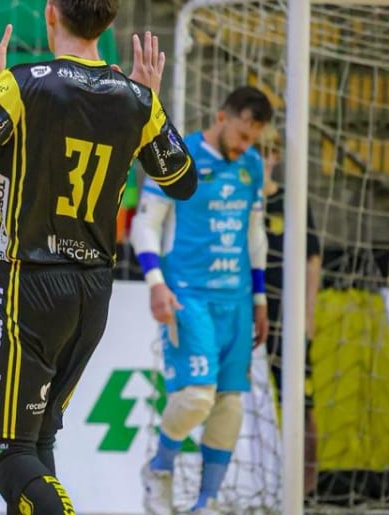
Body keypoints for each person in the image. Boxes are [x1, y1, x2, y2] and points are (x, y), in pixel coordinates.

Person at [0, 0, 198, 514]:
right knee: (38, 440)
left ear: (50, 12)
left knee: (5, 449)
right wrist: (150, 100)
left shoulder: (25, 84)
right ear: (108, 24)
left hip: (28, 286)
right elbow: (182, 182)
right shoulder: (136, 100)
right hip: (94, 291)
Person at [130, 85, 274, 515]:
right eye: (242, 134)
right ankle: (159, 467)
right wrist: (156, 281)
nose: (246, 145)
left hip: (237, 300)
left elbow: (256, 236)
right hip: (188, 294)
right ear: (221, 117)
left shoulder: (250, 165)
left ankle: (205, 503)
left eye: (254, 138)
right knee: (196, 396)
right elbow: (145, 224)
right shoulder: (178, 157)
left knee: (230, 406)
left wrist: (261, 299)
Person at [259, 137, 322, 496]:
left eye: (267, 154)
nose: (262, 161)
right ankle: (259, 482)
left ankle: (306, 488)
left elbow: (313, 259)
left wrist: (308, 315)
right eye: (256, 154)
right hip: (247, 315)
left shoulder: (291, 201)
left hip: (288, 318)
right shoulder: (243, 201)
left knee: (300, 399)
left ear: (277, 157)